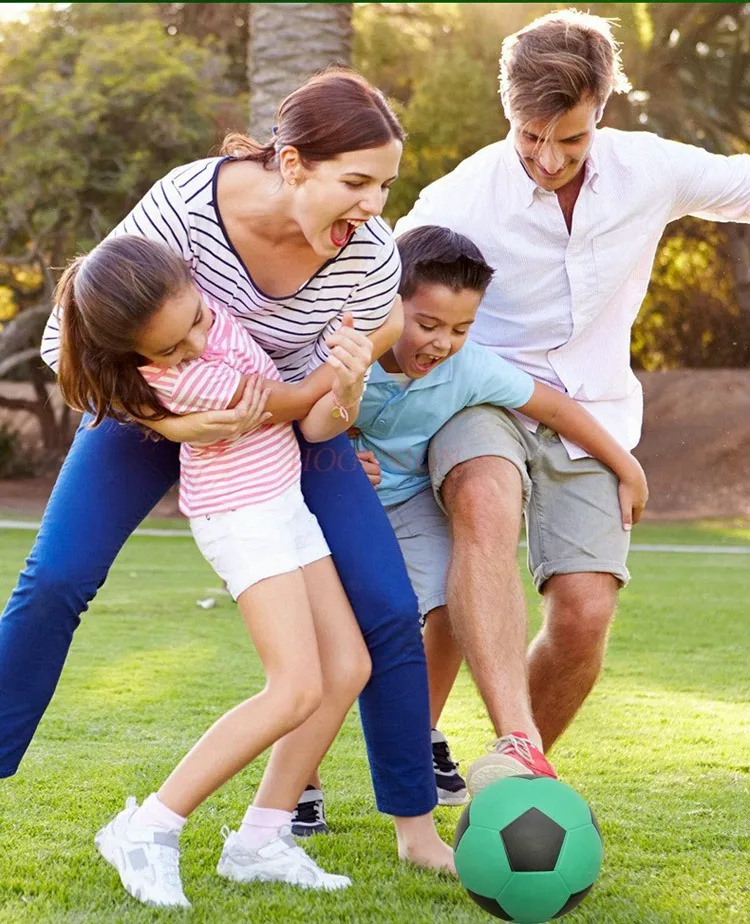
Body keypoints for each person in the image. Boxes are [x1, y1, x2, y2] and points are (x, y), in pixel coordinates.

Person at [0, 69, 454, 872]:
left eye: (385, 186)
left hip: (280, 433)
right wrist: (170, 421)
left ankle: (397, 833)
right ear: (291, 165)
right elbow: (62, 346)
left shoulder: (369, 260)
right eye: (354, 182)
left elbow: (314, 412)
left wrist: (344, 385)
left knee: (385, 610)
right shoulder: (185, 205)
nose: (373, 207)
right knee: (58, 577)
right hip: (147, 413)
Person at [394, 9, 750, 792]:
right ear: (507, 112)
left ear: (603, 109)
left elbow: (742, 184)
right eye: (530, 137)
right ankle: (467, 744)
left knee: (585, 614)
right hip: (481, 400)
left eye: (571, 138)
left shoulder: (651, 170)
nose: (548, 158)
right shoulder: (462, 197)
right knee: (483, 506)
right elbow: (370, 280)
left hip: (597, 414)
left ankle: (506, 778)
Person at [56, 234, 374, 906]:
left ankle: (261, 839)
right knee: (293, 688)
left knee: (348, 667)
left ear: (194, 284)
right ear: (138, 356)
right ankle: (149, 826)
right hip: (242, 515)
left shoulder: (202, 302)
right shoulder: (187, 376)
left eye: (196, 321)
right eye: (169, 349)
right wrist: (354, 355)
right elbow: (286, 404)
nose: (195, 345)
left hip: (284, 503)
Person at [348, 224, 646, 803]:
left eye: (460, 329)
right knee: (334, 643)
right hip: (341, 505)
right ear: (387, 302)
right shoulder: (346, 351)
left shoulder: (469, 368)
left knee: (451, 605)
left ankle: (419, 737)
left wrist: (625, 465)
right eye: (428, 325)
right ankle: (299, 786)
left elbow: (554, 406)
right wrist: (336, 455)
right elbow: (295, 415)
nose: (441, 343)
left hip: (407, 503)